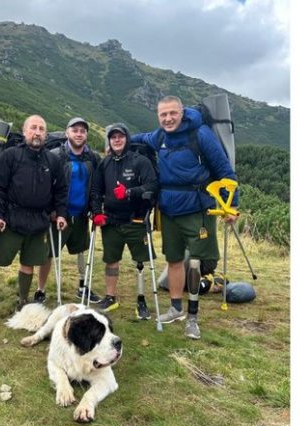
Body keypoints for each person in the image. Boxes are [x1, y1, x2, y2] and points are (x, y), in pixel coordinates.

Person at [130, 96, 238, 339]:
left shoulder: (200, 134)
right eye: (163, 114)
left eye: (172, 113)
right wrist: (118, 139)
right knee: (174, 260)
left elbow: (224, 170)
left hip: (197, 209)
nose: (168, 118)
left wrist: (232, 206)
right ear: (158, 116)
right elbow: (141, 138)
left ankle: (193, 318)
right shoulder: (160, 136)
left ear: (182, 113)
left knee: (196, 263)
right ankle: (176, 308)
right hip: (169, 210)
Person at [0, 115, 68, 311]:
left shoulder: (53, 160)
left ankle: (22, 301)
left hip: (38, 221)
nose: (37, 132)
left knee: (29, 263)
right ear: (25, 132)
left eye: (41, 129)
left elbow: (61, 190)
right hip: (11, 218)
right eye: (33, 128)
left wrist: (61, 214)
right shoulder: (11, 155)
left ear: (46, 134)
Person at [89, 123, 158, 318]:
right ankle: (110, 297)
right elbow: (96, 190)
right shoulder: (105, 163)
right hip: (111, 221)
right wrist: (97, 212)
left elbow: (152, 185)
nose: (117, 140)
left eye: (120, 136)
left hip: (136, 220)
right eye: (113, 137)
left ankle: (141, 300)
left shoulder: (140, 161)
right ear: (109, 141)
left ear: (127, 138)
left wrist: (129, 192)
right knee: (111, 260)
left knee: (140, 261)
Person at [37, 117, 103, 304]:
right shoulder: (55, 155)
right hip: (58, 215)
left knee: (82, 250)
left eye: (83, 131)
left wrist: (95, 208)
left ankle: (83, 286)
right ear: (67, 133)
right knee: (49, 253)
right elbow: (46, 185)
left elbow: (96, 185)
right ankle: (40, 290)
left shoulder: (93, 158)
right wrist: (51, 209)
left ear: (86, 135)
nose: (79, 134)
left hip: (81, 214)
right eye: (75, 130)